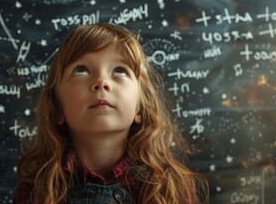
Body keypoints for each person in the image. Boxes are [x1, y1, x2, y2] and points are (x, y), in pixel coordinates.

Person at [13, 23, 208, 204]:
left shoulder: (173, 187)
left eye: (120, 71)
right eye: (81, 70)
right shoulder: (35, 190)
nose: (101, 82)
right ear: (57, 108)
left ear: (140, 107)